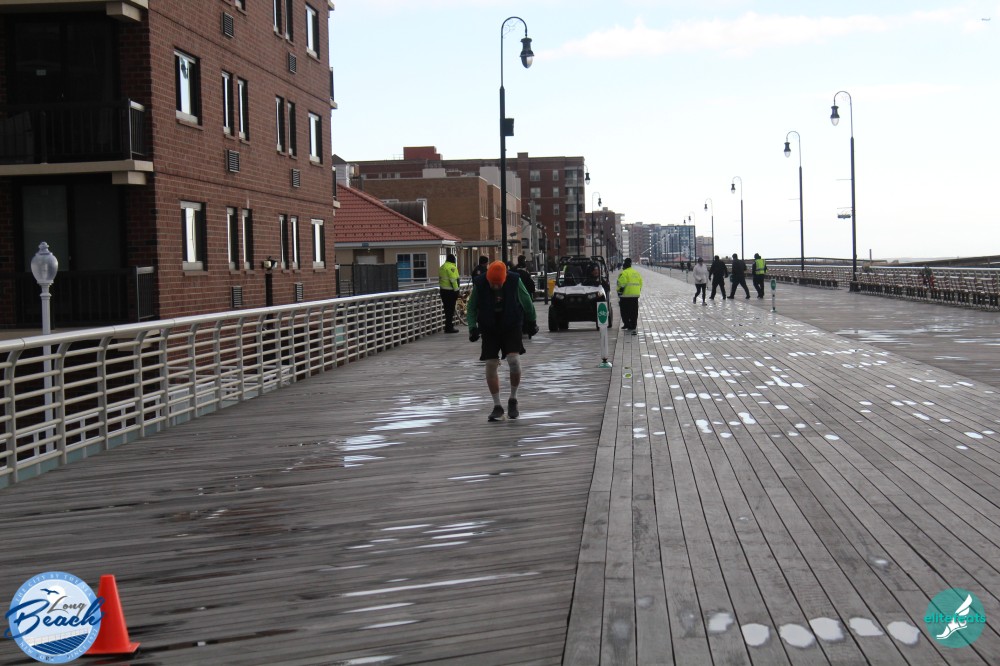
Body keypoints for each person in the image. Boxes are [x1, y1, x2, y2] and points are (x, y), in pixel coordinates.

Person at [467, 261, 539, 422]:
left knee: (514, 360)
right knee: (491, 364)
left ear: (504, 279)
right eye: (492, 284)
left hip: (511, 323)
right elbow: (471, 307)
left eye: (498, 284)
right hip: (489, 326)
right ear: (488, 279)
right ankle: (497, 406)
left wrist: (532, 321)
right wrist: (472, 327)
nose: (495, 287)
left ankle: (513, 399)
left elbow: (526, 301)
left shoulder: (514, 280)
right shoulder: (480, 283)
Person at [616, 258, 643, 334]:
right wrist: (638, 290)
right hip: (635, 295)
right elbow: (641, 283)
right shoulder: (636, 273)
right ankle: (633, 325)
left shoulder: (624, 273)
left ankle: (627, 324)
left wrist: (619, 292)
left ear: (624, 267)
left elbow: (621, 284)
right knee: (634, 311)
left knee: (625, 311)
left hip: (626, 295)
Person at [438, 253, 461, 333]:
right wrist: (457, 291)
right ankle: (449, 327)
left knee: (446, 310)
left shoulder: (442, 267)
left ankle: (448, 326)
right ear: (453, 260)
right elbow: (453, 280)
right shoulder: (451, 267)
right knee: (450, 310)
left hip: (443, 291)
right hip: (450, 292)